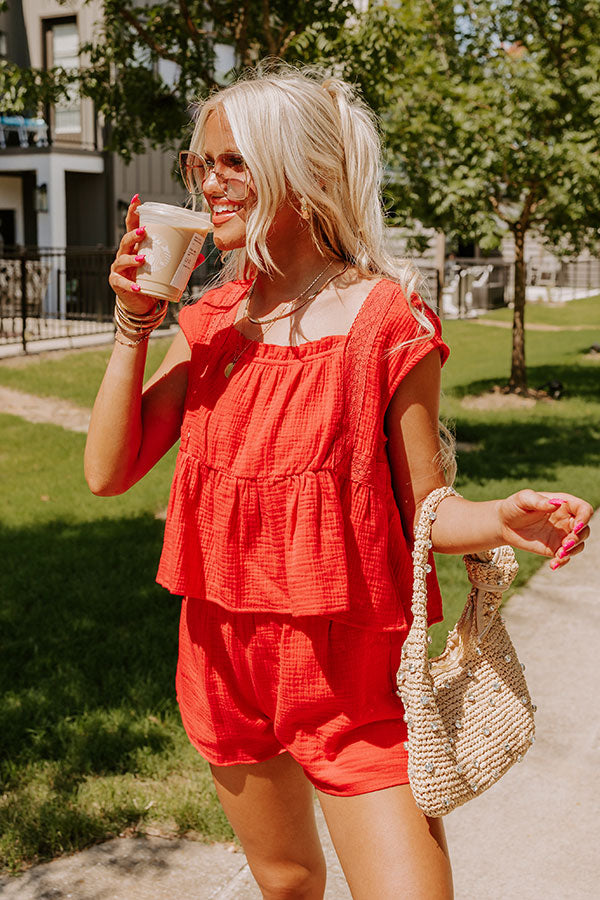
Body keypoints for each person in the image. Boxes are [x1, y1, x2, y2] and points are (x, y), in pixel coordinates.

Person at [84, 65, 592, 900]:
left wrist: (502, 519)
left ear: (305, 169)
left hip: (351, 675)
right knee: (286, 884)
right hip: (220, 656)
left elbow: (427, 509)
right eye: (199, 163)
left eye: (233, 162)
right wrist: (135, 322)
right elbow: (108, 471)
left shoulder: (387, 321)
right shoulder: (213, 318)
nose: (209, 181)